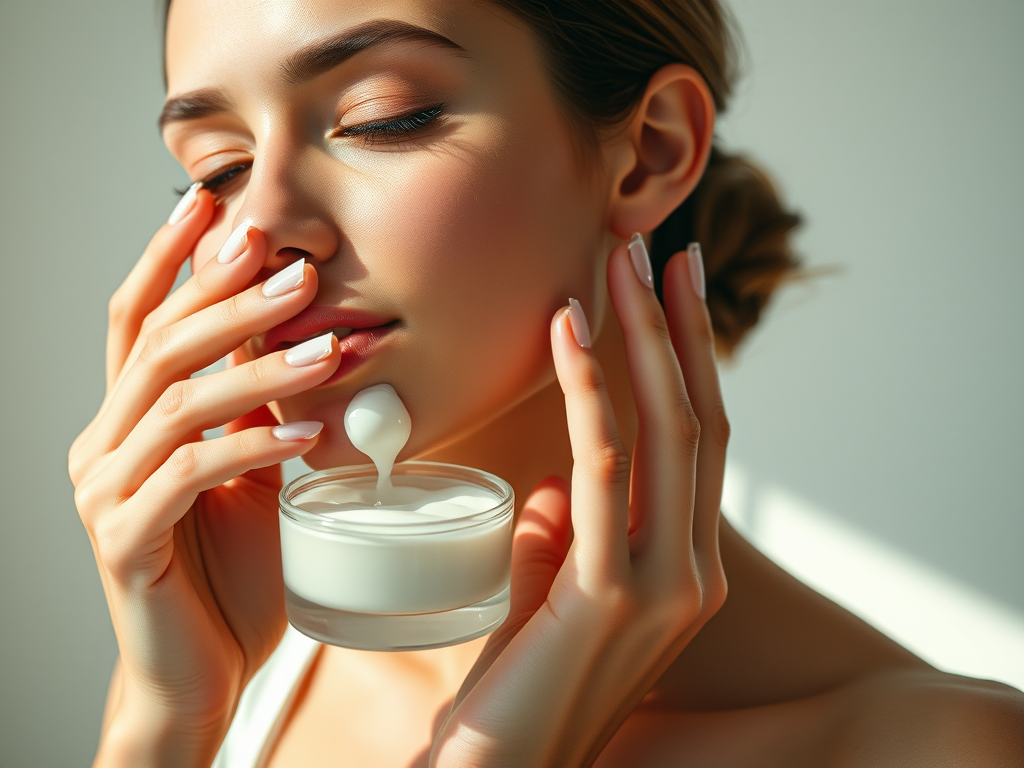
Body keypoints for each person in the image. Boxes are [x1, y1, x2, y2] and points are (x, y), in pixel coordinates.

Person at [68, 0, 1024, 765]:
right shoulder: (235, 668)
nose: (260, 229)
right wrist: (162, 721)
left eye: (382, 116)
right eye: (217, 168)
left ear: (649, 149)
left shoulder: (940, 750)